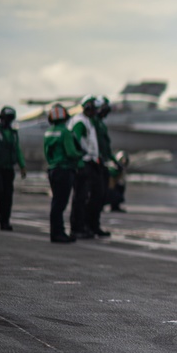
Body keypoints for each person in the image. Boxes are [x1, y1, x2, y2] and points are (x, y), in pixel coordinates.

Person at [43, 104, 83, 243]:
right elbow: (71, 152)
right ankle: (58, 234)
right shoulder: (65, 132)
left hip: (53, 169)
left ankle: (56, 232)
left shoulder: (48, 132)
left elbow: (47, 153)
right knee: (60, 203)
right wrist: (81, 154)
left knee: (56, 203)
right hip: (64, 170)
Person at [68, 95, 105, 239]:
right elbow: (75, 139)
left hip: (92, 162)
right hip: (84, 163)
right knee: (81, 197)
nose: (96, 111)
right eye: (94, 108)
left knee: (96, 195)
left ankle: (88, 226)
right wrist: (80, 157)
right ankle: (77, 228)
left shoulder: (88, 122)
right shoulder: (80, 122)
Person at [88, 96, 117, 236]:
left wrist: (114, 160)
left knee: (100, 196)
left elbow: (106, 146)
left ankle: (94, 225)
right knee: (93, 196)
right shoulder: (92, 123)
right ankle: (88, 226)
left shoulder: (100, 124)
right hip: (94, 163)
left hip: (102, 163)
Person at [0, 106, 27, 230]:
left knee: (7, 195)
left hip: (8, 168)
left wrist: (22, 165)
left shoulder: (13, 134)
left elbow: (17, 150)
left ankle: (5, 222)